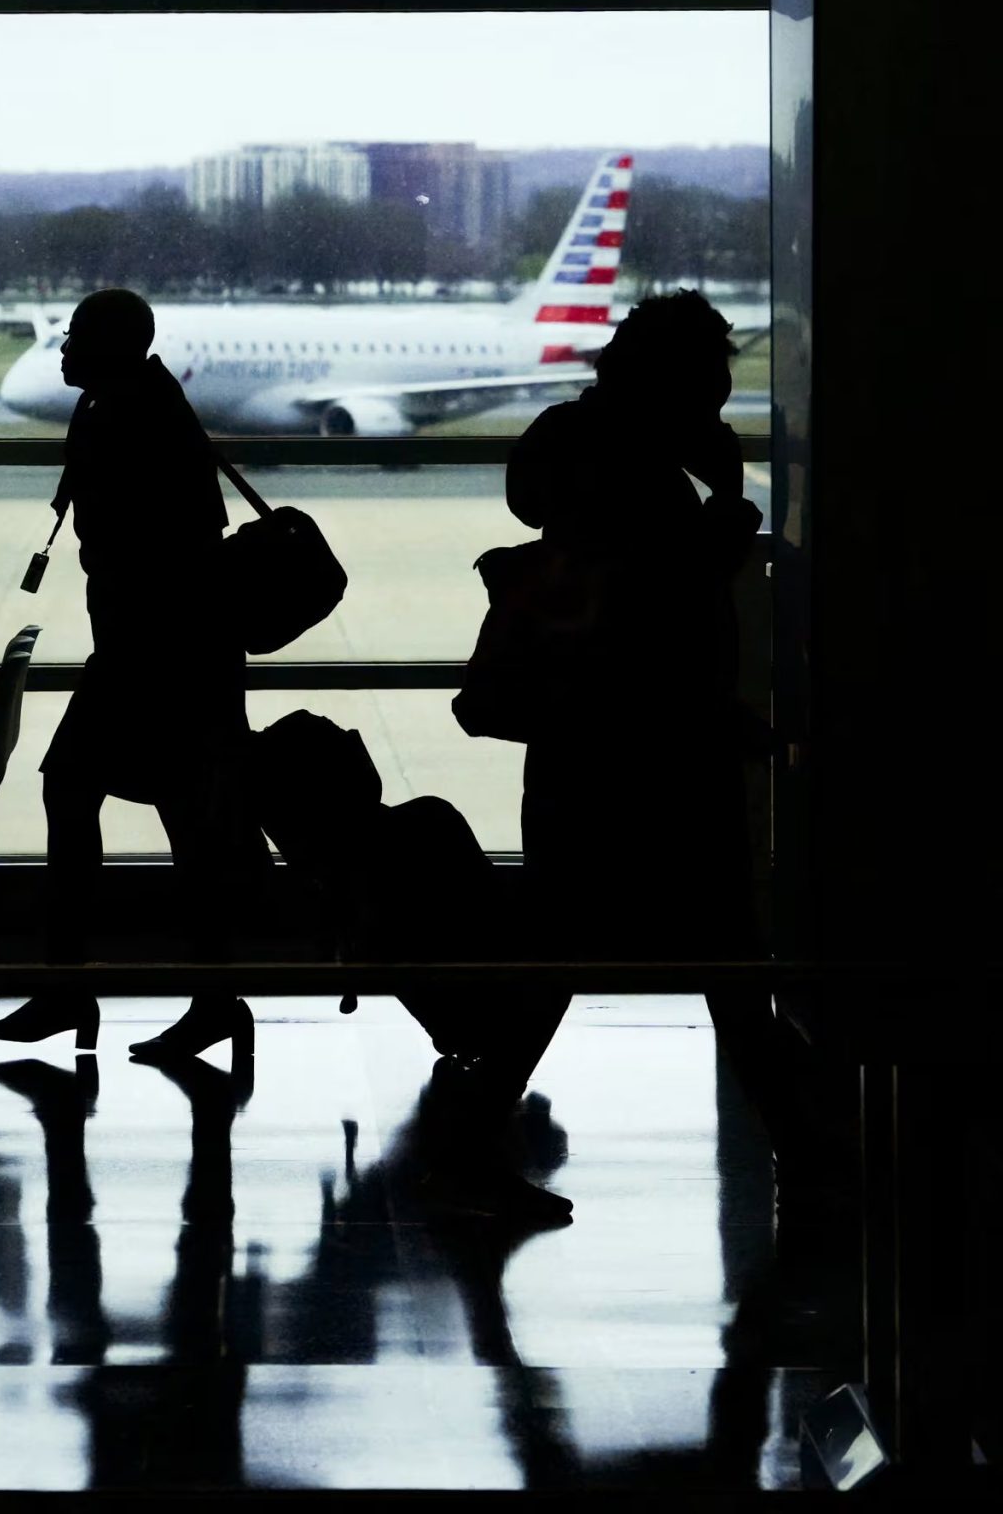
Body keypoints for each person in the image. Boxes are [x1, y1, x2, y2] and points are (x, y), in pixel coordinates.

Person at [502, 291, 820, 1168]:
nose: (721, 399)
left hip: (577, 741)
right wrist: (730, 501)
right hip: (664, 746)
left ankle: (468, 1141)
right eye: (711, 383)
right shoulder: (645, 473)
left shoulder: (565, 440)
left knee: (558, 944)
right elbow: (669, 592)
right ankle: (804, 1146)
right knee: (728, 949)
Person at [0, 290, 266, 1059]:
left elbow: (159, 545)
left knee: (100, 796)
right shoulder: (133, 401)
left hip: (158, 654)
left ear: (110, 345)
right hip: (162, 650)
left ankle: (92, 988)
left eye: (76, 337)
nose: (63, 349)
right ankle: (192, 995)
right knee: (159, 812)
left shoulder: (132, 415)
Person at [249, 709, 572, 1220]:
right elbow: (497, 922)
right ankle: (468, 1163)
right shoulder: (424, 826)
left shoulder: (347, 885)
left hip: (456, 1007)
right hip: (485, 999)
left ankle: (470, 1147)